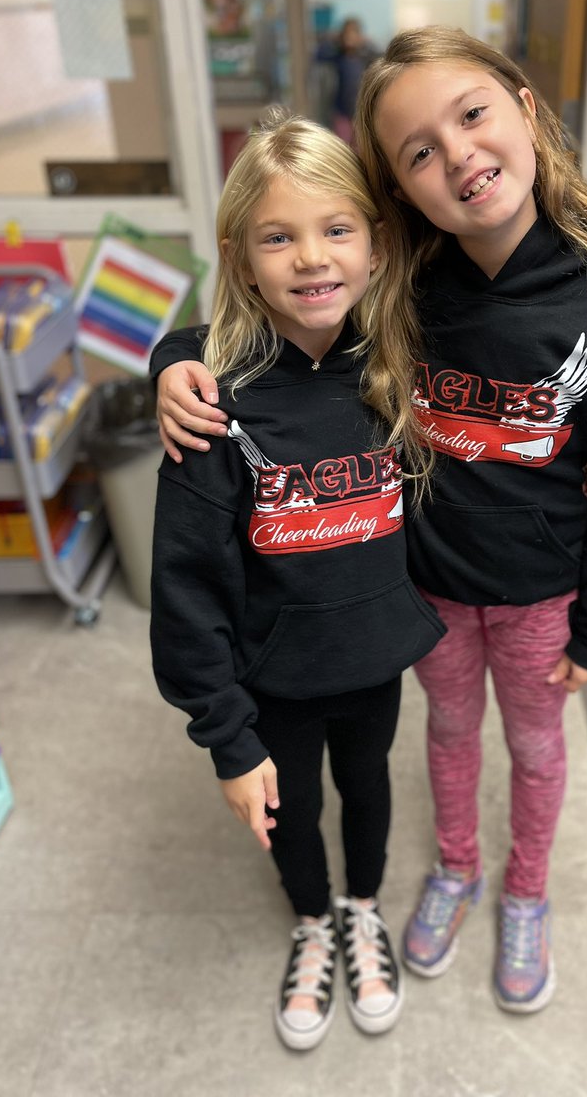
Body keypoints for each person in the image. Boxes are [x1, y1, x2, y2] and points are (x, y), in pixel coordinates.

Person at [151, 28, 587, 1018]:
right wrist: (172, 361)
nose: (458, 155)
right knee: (443, 736)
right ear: (398, 198)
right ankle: (457, 870)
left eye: (471, 115)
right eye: (418, 153)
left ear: (523, 106)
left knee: (535, 748)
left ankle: (525, 892)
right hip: (427, 592)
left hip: (540, 601)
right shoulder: (405, 289)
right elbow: (271, 318)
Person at [149, 110, 444, 1052]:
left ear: (376, 242)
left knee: (369, 787)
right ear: (241, 258)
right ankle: (314, 921)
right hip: (271, 676)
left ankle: (364, 908)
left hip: (373, 663)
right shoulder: (211, 407)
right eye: (279, 237)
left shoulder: (399, 363)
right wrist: (227, 741)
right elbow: (185, 592)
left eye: (336, 229)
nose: (312, 259)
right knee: (295, 807)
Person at [315, 17, 378, 145]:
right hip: (341, 110)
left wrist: (366, 43)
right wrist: (333, 40)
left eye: (353, 34)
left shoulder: (364, 56)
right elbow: (319, 55)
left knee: (362, 146)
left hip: (361, 110)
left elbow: (379, 58)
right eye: (347, 35)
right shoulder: (338, 56)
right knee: (343, 145)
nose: (350, 39)